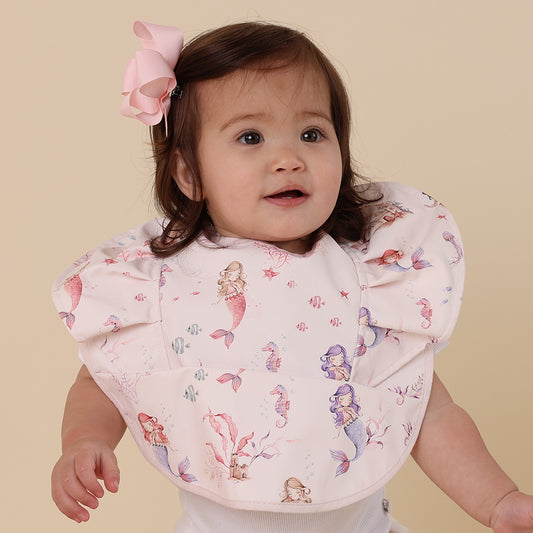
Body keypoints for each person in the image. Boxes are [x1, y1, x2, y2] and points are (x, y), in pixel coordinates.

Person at [51, 20, 533, 533]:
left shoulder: (369, 281)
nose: (288, 159)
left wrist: (497, 501)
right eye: (250, 137)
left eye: (311, 134)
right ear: (190, 174)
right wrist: (85, 440)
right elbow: (103, 377)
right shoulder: (163, 286)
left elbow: (428, 412)